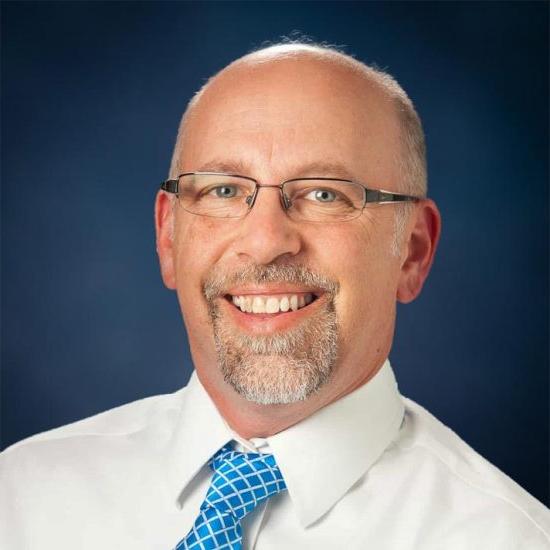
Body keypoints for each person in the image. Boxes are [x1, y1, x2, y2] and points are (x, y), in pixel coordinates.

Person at [1, 42, 548, 550]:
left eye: (324, 194)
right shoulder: (22, 500)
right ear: (169, 237)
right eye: (223, 190)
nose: (265, 243)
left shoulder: (504, 536)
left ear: (412, 251)